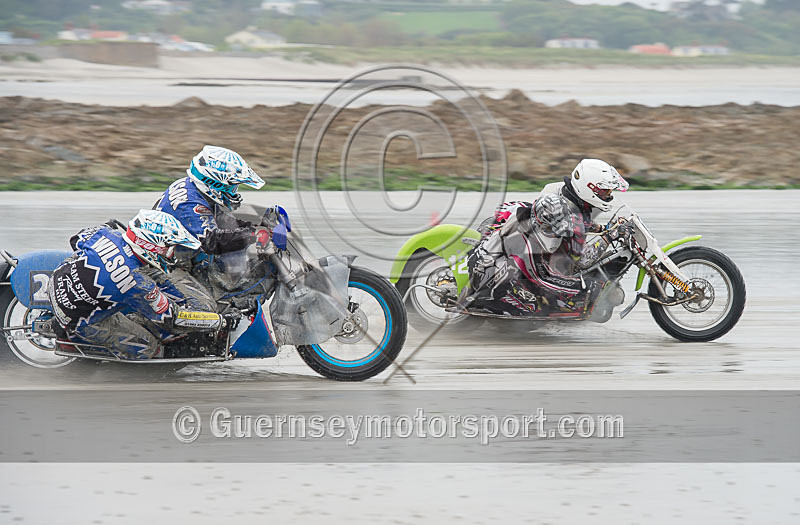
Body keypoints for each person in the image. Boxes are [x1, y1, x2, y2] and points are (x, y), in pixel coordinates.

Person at [47, 210, 225, 359]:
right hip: (80, 318)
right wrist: (218, 322)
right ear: (151, 246)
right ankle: (72, 340)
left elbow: (76, 240)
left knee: (153, 277)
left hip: (56, 281)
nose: (171, 254)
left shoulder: (105, 233)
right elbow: (172, 318)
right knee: (149, 348)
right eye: (169, 248)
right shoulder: (137, 284)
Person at [464, 159, 631, 316]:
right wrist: (609, 237)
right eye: (604, 191)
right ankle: (487, 302)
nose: (608, 195)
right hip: (516, 265)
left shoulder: (567, 195)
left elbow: (579, 224)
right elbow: (581, 260)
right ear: (589, 188)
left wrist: (605, 229)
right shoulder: (561, 209)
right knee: (564, 298)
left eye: (609, 191)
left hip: (530, 248)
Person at [155, 145, 272, 258]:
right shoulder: (190, 204)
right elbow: (212, 242)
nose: (234, 192)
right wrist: (252, 234)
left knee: (234, 245)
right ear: (214, 183)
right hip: (172, 262)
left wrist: (254, 227)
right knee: (231, 256)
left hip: (180, 247)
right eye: (232, 188)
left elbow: (219, 220)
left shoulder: (194, 188)